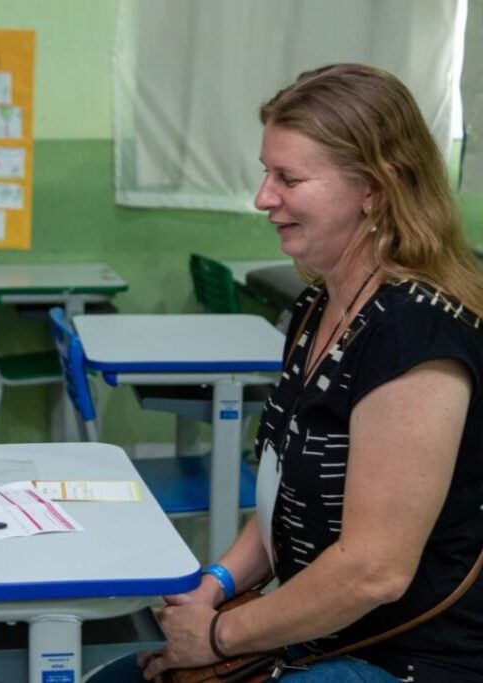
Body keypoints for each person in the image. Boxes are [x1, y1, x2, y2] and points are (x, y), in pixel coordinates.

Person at [138, 64, 483, 681]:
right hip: (319, 635)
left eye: (288, 178)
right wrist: (214, 586)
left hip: (404, 660)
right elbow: (284, 495)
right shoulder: (318, 307)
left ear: (376, 189)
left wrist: (218, 636)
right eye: (266, 173)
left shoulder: (413, 332)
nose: (262, 197)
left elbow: (373, 570)